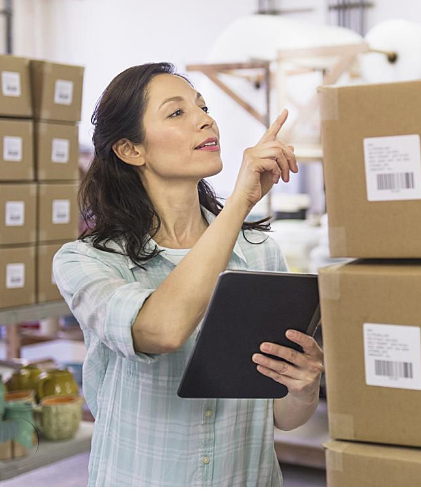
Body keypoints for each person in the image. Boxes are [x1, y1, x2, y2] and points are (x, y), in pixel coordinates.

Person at [53, 62, 324, 487]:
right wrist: (240, 202)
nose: (205, 119)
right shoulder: (88, 261)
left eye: (203, 107)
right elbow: (159, 330)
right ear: (130, 150)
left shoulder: (259, 254)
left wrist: (303, 386)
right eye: (176, 113)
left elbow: (282, 417)